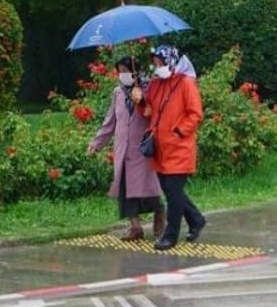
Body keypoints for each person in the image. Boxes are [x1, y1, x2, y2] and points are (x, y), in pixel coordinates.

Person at [87, 56, 164, 241]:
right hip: (123, 149)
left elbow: (158, 113)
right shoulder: (118, 93)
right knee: (124, 189)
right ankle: (135, 227)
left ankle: (160, 213)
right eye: (119, 71)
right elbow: (110, 122)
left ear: (135, 71)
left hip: (142, 148)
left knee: (147, 187)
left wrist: (144, 101)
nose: (122, 75)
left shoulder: (149, 88)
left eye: (125, 70)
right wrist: (96, 143)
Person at [142, 44, 206, 251]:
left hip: (179, 148)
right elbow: (148, 108)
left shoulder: (186, 83)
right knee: (171, 191)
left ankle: (170, 235)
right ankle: (196, 220)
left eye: (160, 62)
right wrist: (138, 100)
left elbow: (195, 113)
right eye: (155, 63)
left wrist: (178, 131)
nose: (156, 66)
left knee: (173, 191)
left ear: (171, 61)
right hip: (159, 148)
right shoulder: (155, 84)